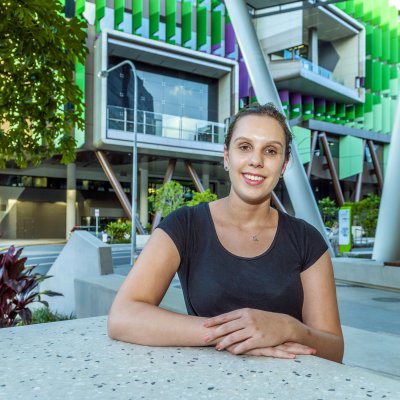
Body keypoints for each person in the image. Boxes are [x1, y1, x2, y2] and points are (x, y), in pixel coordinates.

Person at [108, 103, 344, 363]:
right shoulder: (184, 226)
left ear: (284, 164)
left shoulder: (306, 240)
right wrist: (236, 334)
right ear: (226, 156)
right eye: (244, 147)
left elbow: (334, 349)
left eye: (271, 151)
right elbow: (122, 316)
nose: (256, 160)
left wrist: (288, 328)